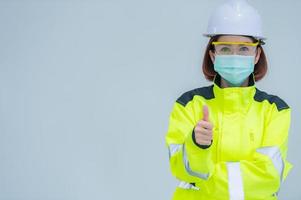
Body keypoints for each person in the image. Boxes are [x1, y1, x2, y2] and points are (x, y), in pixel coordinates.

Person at [165, 0, 293, 199]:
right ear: (213, 55)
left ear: (257, 54)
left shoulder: (275, 110)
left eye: (243, 49)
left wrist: (205, 182)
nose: (234, 56)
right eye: (225, 49)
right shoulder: (189, 104)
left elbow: (269, 177)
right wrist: (197, 145)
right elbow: (180, 169)